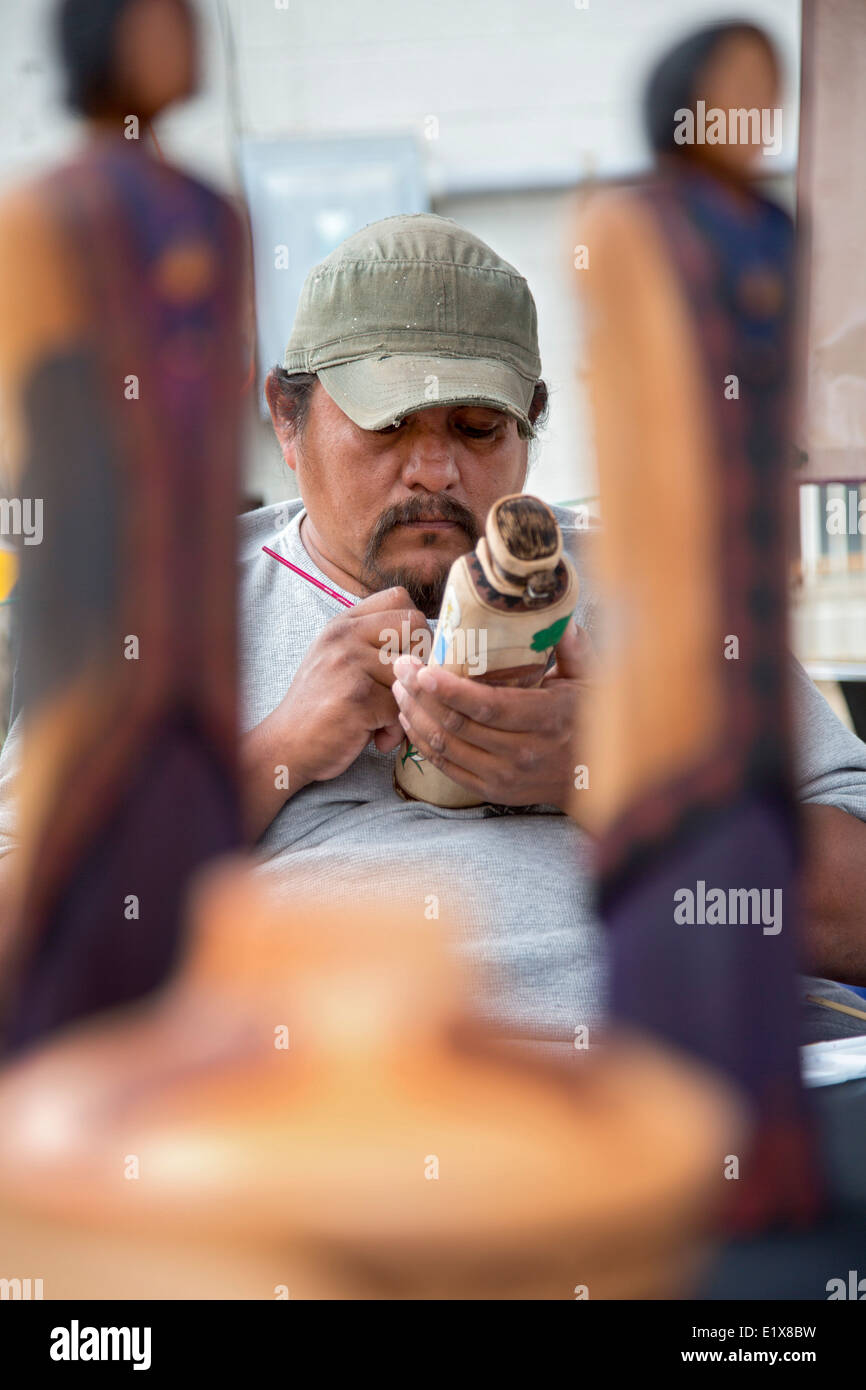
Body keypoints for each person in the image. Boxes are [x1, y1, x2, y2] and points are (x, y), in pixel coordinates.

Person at [1, 212, 865, 1046]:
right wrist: (279, 753)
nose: (433, 471)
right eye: (387, 425)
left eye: (477, 425)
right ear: (286, 418)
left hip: (653, 1104)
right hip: (301, 1118)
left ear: (531, 420)